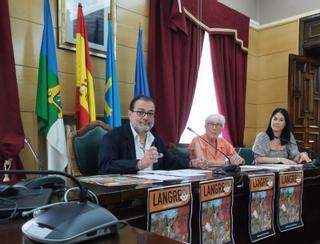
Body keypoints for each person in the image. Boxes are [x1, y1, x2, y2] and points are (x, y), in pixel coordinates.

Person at [98, 96, 207, 174]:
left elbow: (169, 161)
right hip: (127, 198)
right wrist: (139, 164)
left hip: (154, 191)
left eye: (150, 113)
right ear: (130, 114)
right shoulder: (113, 136)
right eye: (140, 112)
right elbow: (106, 166)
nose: (146, 117)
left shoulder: (156, 138)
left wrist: (192, 163)